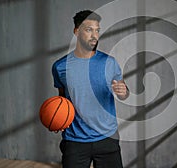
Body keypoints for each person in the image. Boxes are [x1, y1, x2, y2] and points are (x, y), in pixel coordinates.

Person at [52, 10, 129, 168]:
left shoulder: (110, 62)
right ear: (76, 31)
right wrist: (58, 119)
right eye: (89, 30)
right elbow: (62, 101)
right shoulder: (60, 67)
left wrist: (124, 91)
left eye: (97, 30)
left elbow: (123, 93)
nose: (94, 35)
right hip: (75, 141)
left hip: (107, 138)